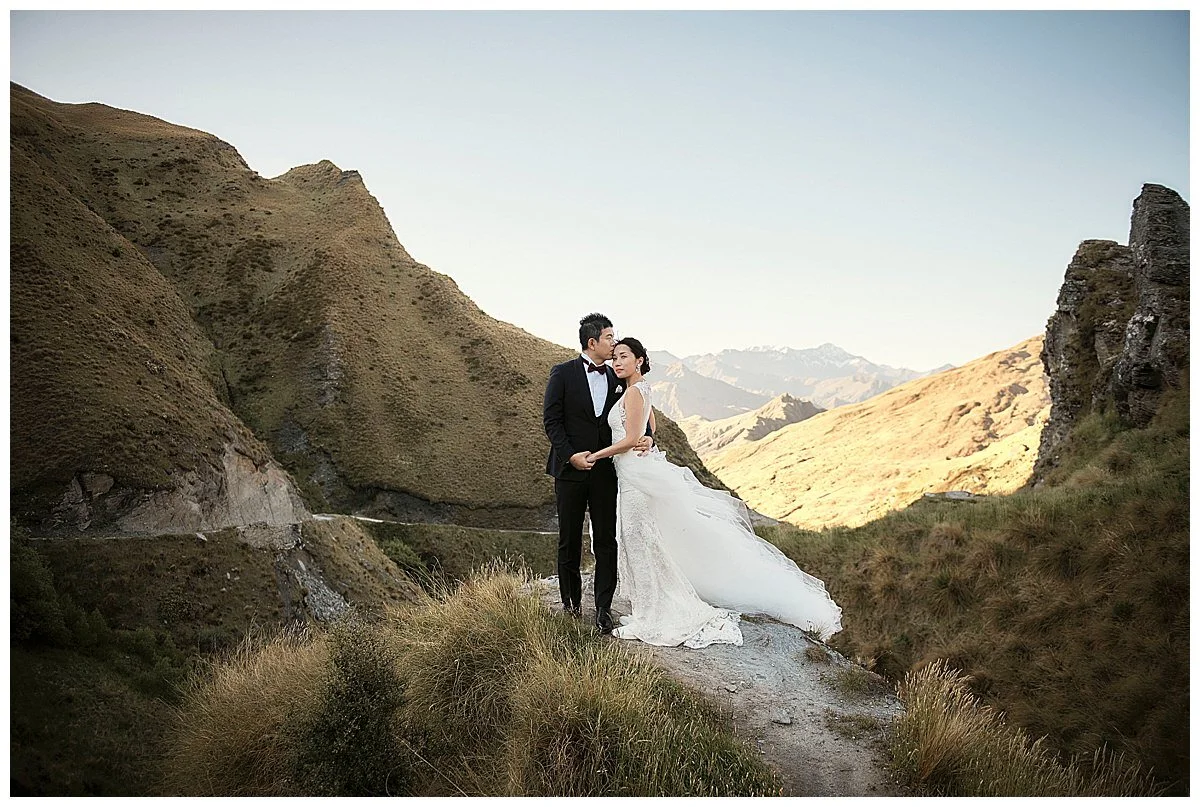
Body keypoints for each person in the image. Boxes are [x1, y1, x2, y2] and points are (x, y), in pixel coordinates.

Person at [585, 338, 843, 648]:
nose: (617, 362)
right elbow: (648, 429)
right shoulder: (638, 390)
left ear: (639, 360)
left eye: (623, 356)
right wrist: (649, 440)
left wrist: (596, 455)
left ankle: (653, 616)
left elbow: (630, 438)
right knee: (636, 541)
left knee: (640, 542)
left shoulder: (635, 392)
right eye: (615, 358)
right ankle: (646, 610)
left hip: (636, 479)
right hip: (632, 474)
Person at [543, 313, 652, 633]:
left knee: (606, 541)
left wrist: (649, 436)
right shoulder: (562, 374)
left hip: (607, 472)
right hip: (569, 471)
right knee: (569, 541)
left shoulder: (619, 376)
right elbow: (552, 421)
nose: (614, 344)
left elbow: (642, 413)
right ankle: (571, 605)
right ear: (592, 343)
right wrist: (571, 455)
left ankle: (603, 609)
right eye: (609, 338)